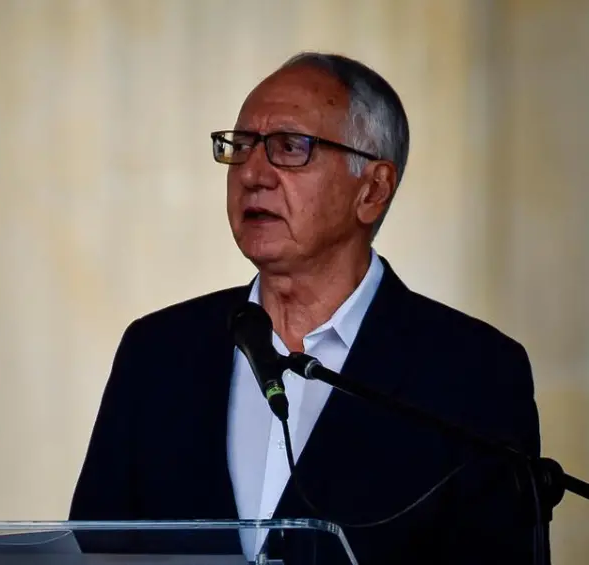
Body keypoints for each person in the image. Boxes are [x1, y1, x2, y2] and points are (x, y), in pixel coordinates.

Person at [69, 52, 544, 565]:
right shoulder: (159, 352)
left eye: (290, 148)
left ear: (373, 190)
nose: (252, 173)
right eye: (242, 146)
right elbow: (93, 551)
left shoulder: (475, 373)